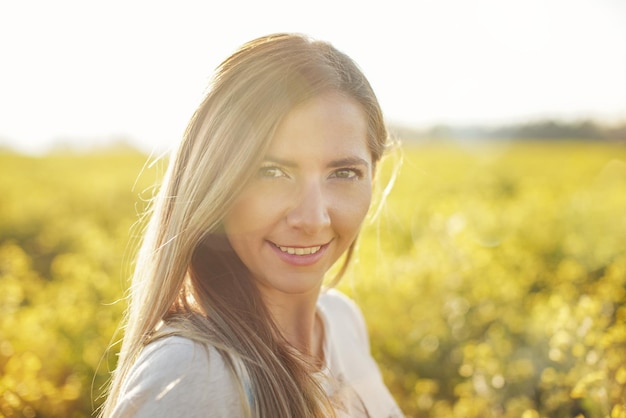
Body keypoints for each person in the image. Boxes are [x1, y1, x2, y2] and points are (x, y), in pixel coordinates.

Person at [100, 33, 403, 418]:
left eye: (343, 172)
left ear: (372, 176)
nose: (312, 219)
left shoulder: (342, 322)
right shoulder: (189, 374)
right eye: (272, 171)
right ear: (216, 182)